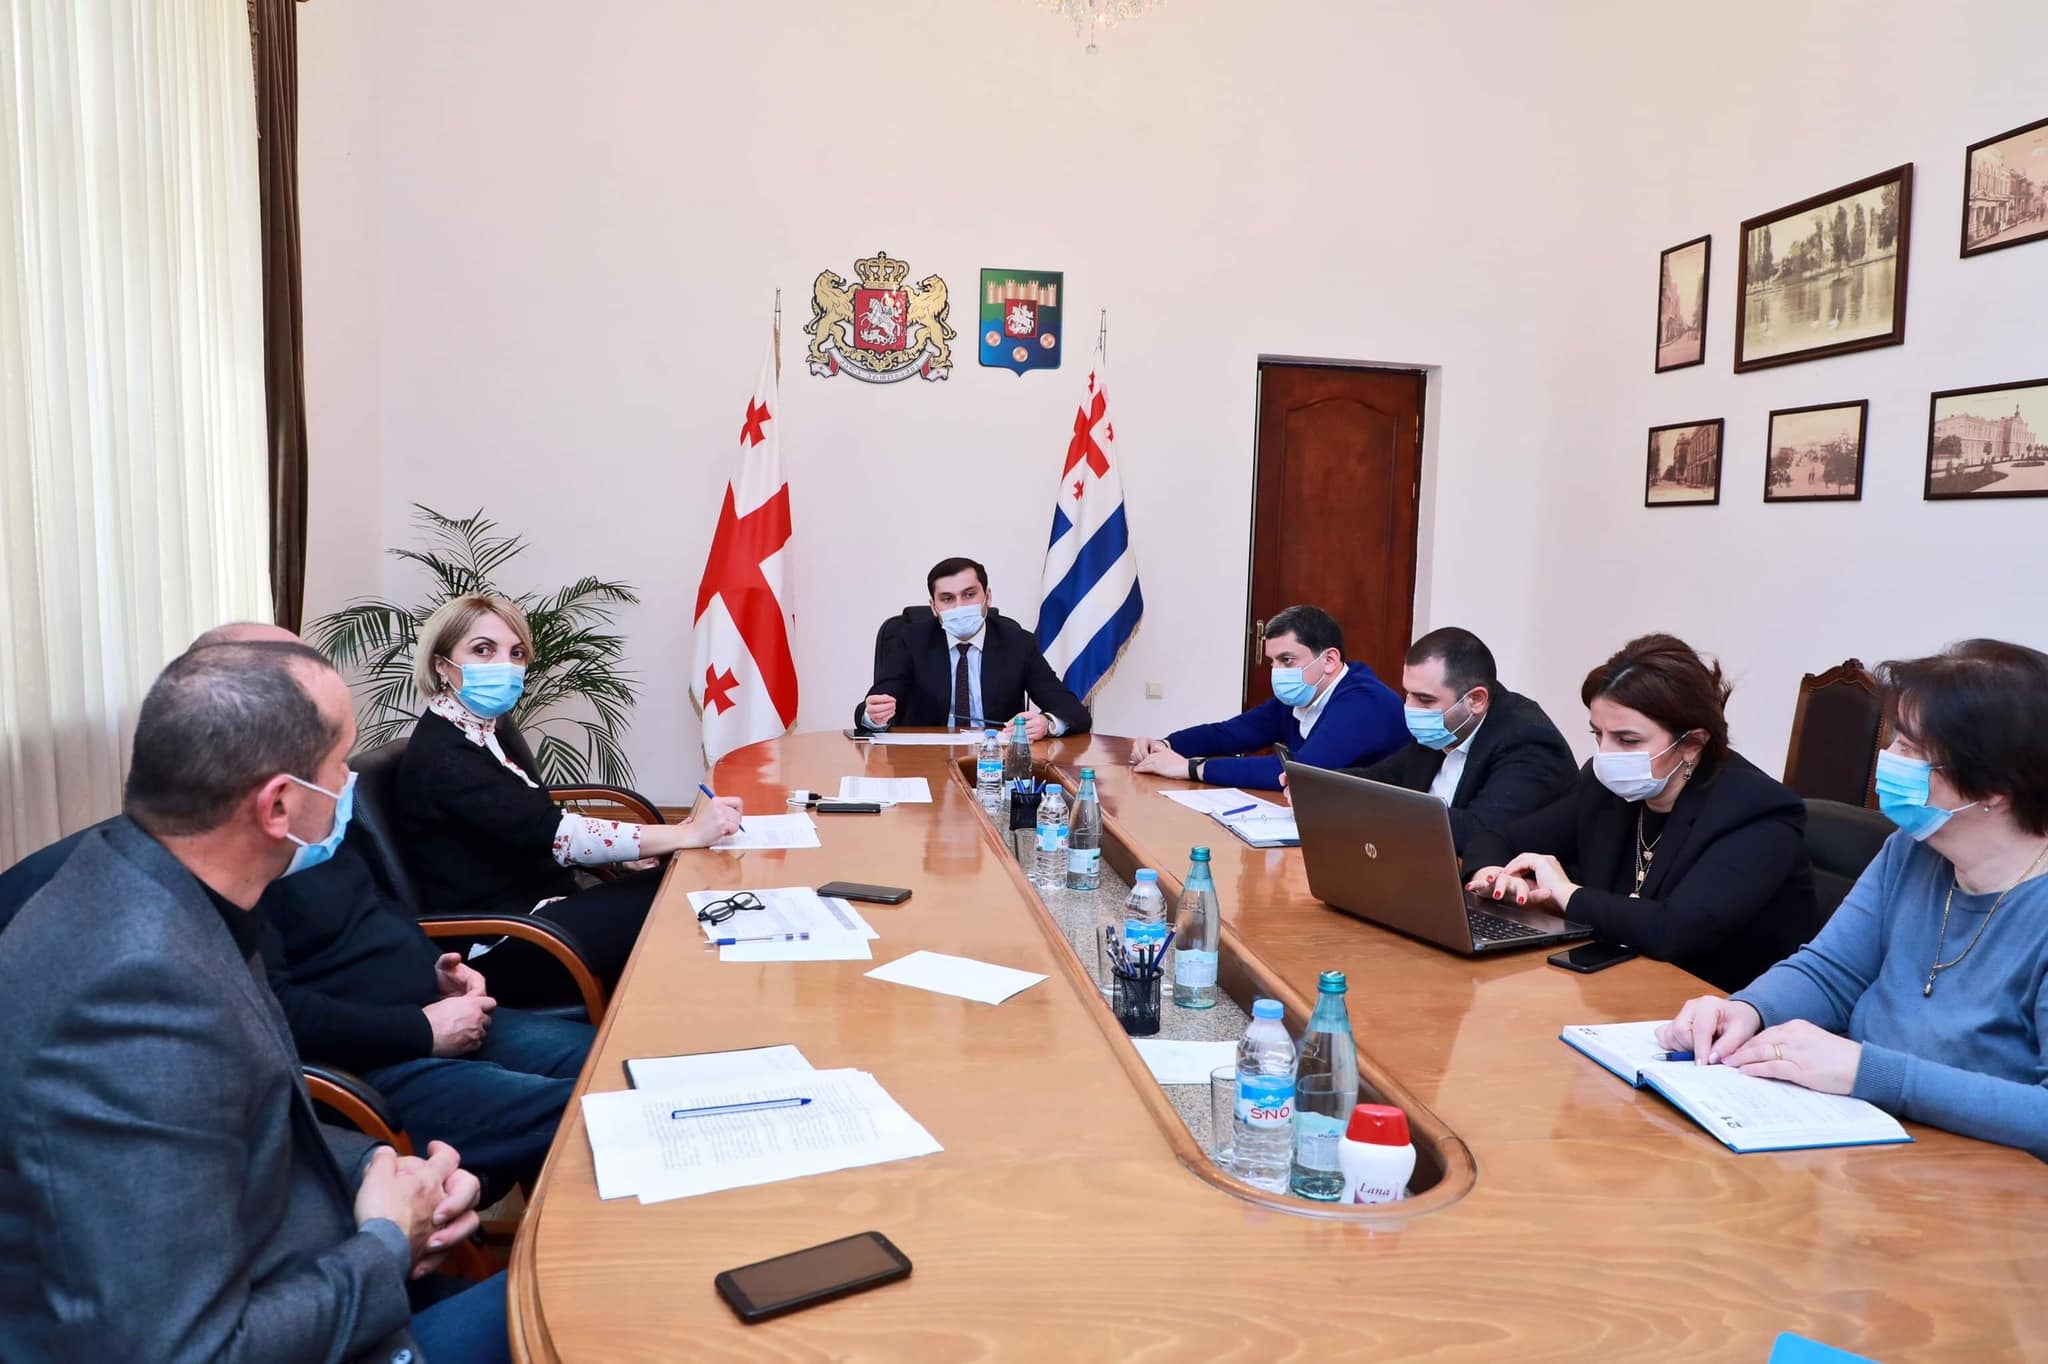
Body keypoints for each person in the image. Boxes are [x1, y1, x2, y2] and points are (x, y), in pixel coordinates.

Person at [0, 640, 507, 1362]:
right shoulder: (138, 994)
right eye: (340, 765)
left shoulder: (163, 883)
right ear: (278, 805)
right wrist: (388, 1242)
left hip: (298, 1272)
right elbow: (189, 1350)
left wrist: (374, 1170)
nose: (349, 785)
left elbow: (229, 1124)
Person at [0, 622, 595, 1194]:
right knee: (606, 1110)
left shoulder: (301, 836)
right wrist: (386, 1223)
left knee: (618, 1065)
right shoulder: (202, 892)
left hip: (437, 1014)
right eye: (338, 763)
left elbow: (381, 909)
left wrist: (438, 971)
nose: (347, 781)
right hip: (377, 1066)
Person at [1658, 640, 2048, 1161]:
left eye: (1911, 748)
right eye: (1894, 740)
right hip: (1858, 1136)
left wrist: (1869, 1071)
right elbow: (1831, 972)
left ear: (1996, 785)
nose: (1888, 760)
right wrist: (1747, 1009)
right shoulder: (1911, 850)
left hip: (1978, 1174)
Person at [393, 594, 741, 987]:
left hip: (544, 908)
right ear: (441, 664)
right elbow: (556, 833)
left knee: (685, 878)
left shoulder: (481, 729)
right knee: (687, 893)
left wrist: (629, 858)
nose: (505, 665)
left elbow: (521, 826)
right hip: (504, 939)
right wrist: (685, 835)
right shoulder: (446, 755)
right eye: (483, 650)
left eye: (516, 653)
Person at [1463, 633, 1820, 991]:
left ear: (1693, 743)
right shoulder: (1606, 788)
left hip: (1723, 1002)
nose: (1606, 754)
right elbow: (1496, 838)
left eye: (1628, 740)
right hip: (1620, 986)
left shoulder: (1756, 809)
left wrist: (1566, 894)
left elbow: (1674, 930)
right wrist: (1496, 877)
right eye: (1598, 734)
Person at [1352, 626, 1578, 855]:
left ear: (1476, 700)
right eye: (1408, 694)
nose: (1410, 708)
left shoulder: (1530, 743)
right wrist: (1330, 789)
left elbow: (1481, 834)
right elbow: (1380, 778)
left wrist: (1386, 810)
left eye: (1425, 699)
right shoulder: (1440, 729)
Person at [1129, 604, 1404, 792]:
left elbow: (1299, 773)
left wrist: (1190, 768)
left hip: (1382, 833)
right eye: (1273, 661)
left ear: (1330, 660)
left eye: (1287, 660)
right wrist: (1165, 745)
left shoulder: (1365, 703)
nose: (1277, 672)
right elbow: (1230, 734)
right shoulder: (1302, 695)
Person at [855, 556, 1090, 740]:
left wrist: (1047, 723)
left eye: (969, 595)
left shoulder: (1018, 642)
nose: (960, 606)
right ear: (934, 607)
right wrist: (874, 716)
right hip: (926, 760)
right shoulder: (909, 640)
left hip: (997, 760)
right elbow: (872, 706)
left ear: (987, 597)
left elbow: (1073, 712)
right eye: (948, 599)